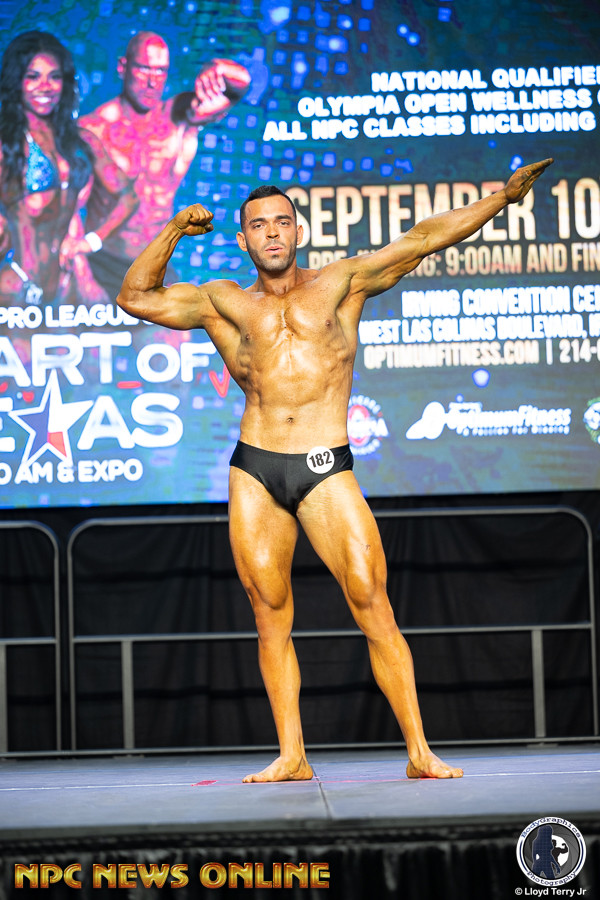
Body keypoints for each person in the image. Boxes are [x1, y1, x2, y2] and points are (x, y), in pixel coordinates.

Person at [117, 157, 553, 782]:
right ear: (242, 239)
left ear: (299, 231)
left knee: (371, 598)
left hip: (325, 466)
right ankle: (292, 755)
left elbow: (425, 238)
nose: (271, 233)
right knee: (269, 611)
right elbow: (134, 296)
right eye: (258, 225)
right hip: (255, 468)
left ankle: (419, 752)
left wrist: (503, 199)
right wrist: (173, 230)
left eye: (281, 222)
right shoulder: (222, 302)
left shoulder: (342, 283)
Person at [79, 31, 251, 298]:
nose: (152, 82)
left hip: (158, 263)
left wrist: (215, 68)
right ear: (123, 67)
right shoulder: (94, 128)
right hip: (104, 264)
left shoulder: (177, 117)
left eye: (160, 71)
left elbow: (241, 83)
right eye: (144, 68)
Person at [0, 31, 137, 305]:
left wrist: (90, 242)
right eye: (33, 76)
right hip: (18, 285)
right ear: (17, 82)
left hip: (67, 286)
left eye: (54, 76)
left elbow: (128, 197)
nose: (45, 86)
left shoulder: (82, 141)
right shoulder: (7, 145)